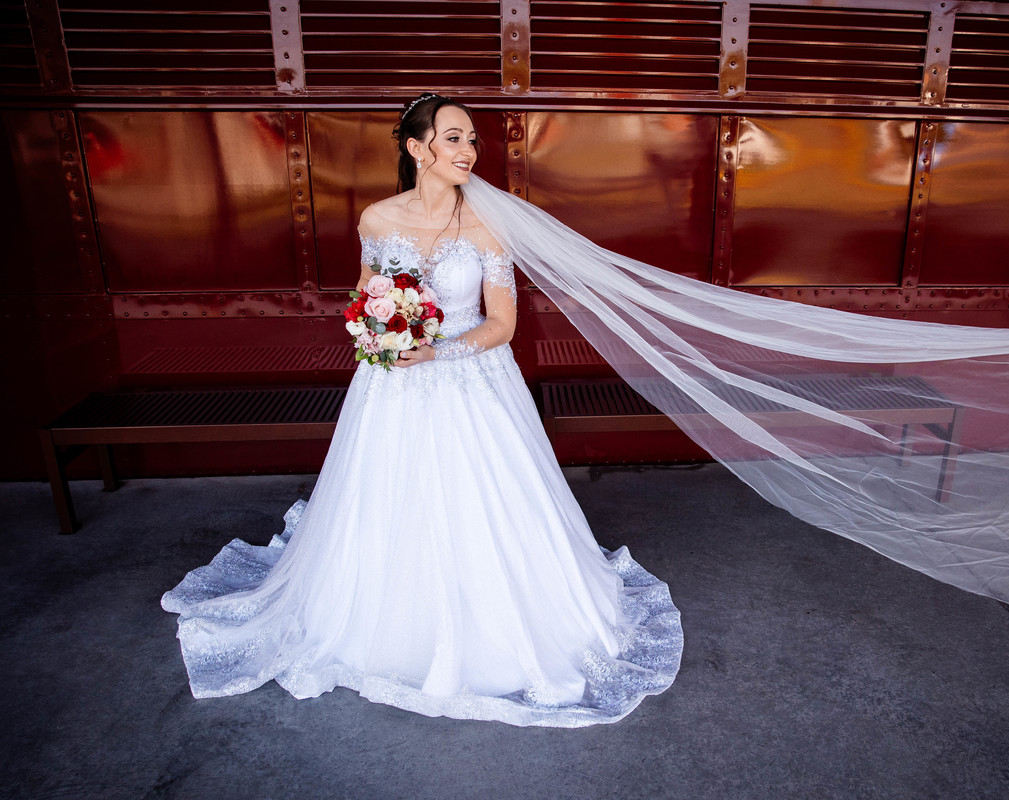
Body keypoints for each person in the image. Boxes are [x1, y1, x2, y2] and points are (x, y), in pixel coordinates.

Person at [161, 93, 684, 728]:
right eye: (455, 139)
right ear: (417, 149)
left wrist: (437, 351)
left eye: (472, 141)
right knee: (388, 499)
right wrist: (378, 333)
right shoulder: (378, 219)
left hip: (472, 381)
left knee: (484, 503)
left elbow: (503, 324)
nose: (468, 152)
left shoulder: (488, 225)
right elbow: (366, 297)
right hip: (392, 388)